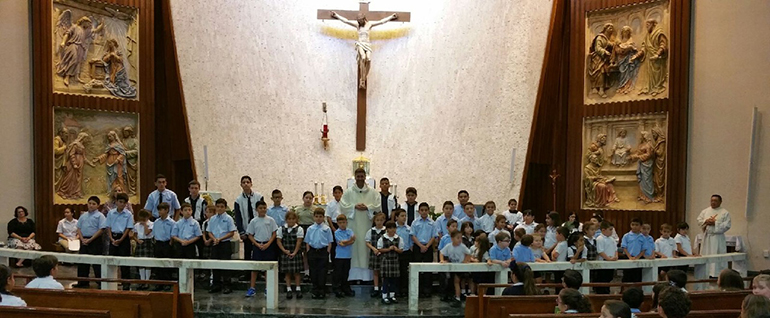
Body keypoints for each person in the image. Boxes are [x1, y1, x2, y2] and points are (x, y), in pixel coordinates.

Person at [339, 168, 382, 282]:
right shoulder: (348, 192)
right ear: (355, 177)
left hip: (367, 224)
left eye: (362, 176)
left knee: (365, 247)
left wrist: (368, 207)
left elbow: (378, 206)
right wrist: (354, 207)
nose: (360, 178)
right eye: (358, 176)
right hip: (353, 224)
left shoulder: (373, 192)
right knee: (355, 248)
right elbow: (343, 206)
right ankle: (354, 277)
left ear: (365, 177)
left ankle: (367, 277)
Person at [245, 201, 277, 297]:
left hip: (268, 246)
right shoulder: (254, 221)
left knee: (268, 268)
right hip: (257, 245)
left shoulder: (271, 220)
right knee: (255, 268)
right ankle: (252, 288)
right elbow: (250, 235)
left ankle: (268, 288)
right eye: (260, 208)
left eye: (264, 208)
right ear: (256, 210)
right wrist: (256, 244)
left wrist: (268, 244)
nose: (263, 210)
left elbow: (274, 233)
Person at [75, 196, 107, 288]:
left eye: (94, 204)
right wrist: (82, 239)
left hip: (95, 240)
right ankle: (82, 282)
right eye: (90, 203)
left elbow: (101, 229)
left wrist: (91, 239)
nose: (91, 206)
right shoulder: (83, 215)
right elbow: (78, 228)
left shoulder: (100, 216)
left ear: (98, 206)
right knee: (82, 262)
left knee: (96, 262)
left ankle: (100, 282)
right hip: (84, 240)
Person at [697, 194, 732, 277]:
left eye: (715, 201)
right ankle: (706, 272)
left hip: (717, 238)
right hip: (707, 237)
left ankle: (717, 274)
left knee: (717, 254)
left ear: (720, 202)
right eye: (712, 200)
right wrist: (706, 221)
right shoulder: (705, 211)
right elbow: (699, 220)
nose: (713, 202)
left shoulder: (724, 212)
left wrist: (715, 223)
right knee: (706, 254)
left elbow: (727, 225)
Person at [234, 176, 264, 268]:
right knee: (247, 251)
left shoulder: (259, 197)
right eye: (244, 182)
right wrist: (241, 231)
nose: (246, 184)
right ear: (241, 185)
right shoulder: (238, 200)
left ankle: (259, 272)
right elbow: (238, 217)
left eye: (248, 182)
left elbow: (262, 212)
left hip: (258, 230)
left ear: (251, 184)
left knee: (258, 251)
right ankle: (247, 272)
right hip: (246, 230)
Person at [208, 198, 237, 294]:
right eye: (218, 207)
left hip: (225, 243)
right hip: (215, 243)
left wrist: (220, 239)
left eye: (222, 207)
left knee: (225, 265)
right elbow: (209, 232)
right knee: (214, 263)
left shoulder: (228, 218)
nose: (220, 209)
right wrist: (214, 239)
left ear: (225, 208)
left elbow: (231, 232)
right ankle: (216, 284)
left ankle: (227, 285)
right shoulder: (212, 219)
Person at [106, 193, 133, 290]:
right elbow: (108, 226)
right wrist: (111, 238)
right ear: (116, 202)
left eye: (124, 203)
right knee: (112, 261)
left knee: (125, 262)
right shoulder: (111, 213)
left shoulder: (128, 214)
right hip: (113, 237)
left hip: (123, 238)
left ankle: (126, 283)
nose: (121, 204)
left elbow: (128, 228)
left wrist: (121, 239)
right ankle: (111, 282)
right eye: (120, 202)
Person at [410, 202, 437, 298]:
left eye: (426, 210)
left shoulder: (432, 223)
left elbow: (434, 236)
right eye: (422, 210)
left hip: (428, 247)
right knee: (417, 269)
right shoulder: (415, 222)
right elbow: (413, 235)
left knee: (427, 270)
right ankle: (418, 289)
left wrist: (426, 246)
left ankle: (427, 290)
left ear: (428, 211)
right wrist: (420, 246)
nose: (424, 212)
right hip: (418, 246)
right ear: (419, 211)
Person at [305, 208, 333, 299]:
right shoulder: (310, 228)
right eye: (316, 216)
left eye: (320, 217)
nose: (318, 218)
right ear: (314, 217)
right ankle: (315, 289)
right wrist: (308, 251)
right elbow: (307, 241)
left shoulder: (327, 228)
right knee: (313, 271)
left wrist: (327, 252)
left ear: (323, 217)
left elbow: (329, 241)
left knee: (322, 271)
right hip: (313, 251)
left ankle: (322, 290)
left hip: (323, 251)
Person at [440, 230, 472, 307]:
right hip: (452, 267)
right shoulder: (449, 246)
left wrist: (465, 260)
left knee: (456, 282)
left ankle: (458, 297)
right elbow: (441, 252)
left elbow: (469, 253)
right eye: (457, 238)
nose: (460, 240)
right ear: (452, 238)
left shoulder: (462, 246)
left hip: (460, 267)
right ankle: (454, 296)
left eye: (461, 238)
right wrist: (442, 260)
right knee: (452, 282)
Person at [278, 211, 305, 299]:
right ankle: (288, 289)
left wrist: (295, 252)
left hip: (295, 253)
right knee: (287, 273)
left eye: (293, 219)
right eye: (289, 219)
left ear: (296, 220)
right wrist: (284, 250)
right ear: (286, 220)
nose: (291, 221)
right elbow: (279, 241)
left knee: (297, 272)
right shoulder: (281, 229)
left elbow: (299, 241)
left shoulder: (299, 229)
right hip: (285, 252)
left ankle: (298, 288)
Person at [377, 220, 404, 304]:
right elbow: (379, 249)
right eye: (390, 228)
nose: (392, 230)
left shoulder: (398, 238)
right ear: (387, 229)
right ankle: (384, 296)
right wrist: (388, 249)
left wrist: (396, 249)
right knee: (386, 280)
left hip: (394, 261)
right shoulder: (382, 238)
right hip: (386, 261)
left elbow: (401, 250)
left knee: (394, 280)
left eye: (394, 228)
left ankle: (392, 296)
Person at [152, 202, 175, 291]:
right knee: (158, 264)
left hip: (167, 243)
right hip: (158, 243)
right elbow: (154, 232)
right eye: (159, 210)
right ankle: (159, 283)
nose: (159, 212)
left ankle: (167, 283)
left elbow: (173, 233)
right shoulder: (156, 222)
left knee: (167, 264)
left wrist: (171, 242)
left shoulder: (171, 222)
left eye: (161, 210)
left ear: (166, 210)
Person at [366, 212, 387, 297]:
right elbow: (367, 242)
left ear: (384, 221)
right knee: (375, 271)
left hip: (384, 254)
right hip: (374, 253)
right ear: (374, 221)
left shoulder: (386, 230)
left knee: (383, 272)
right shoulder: (371, 231)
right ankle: (376, 288)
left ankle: (383, 288)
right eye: (377, 220)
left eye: (381, 220)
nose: (379, 222)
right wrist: (374, 249)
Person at [333, 214, 355, 298]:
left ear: (347, 222)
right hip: (339, 256)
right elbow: (341, 243)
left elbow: (353, 241)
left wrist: (347, 242)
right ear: (337, 223)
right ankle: (337, 288)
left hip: (347, 255)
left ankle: (345, 288)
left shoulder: (349, 231)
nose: (342, 224)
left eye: (344, 222)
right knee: (338, 273)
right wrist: (349, 240)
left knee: (345, 273)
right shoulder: (337, 232)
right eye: (340, 223)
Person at [621, 218, 649, 282]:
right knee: (626, 276)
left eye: (636, 225)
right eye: (633, 224)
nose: (634, 227)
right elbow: (624, 247)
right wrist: (629, 257)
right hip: (627, 257)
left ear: (641, 226)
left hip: (638, 258)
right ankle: (624, 291)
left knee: (637, 277)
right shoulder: (626, 236)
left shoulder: (643, 237)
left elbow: (644, 249)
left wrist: (638, 257)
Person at [132, 209, 154, 290]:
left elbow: (147, 232)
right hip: (140, 242)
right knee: (141, 263)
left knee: (147, 263)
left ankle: (147, 281)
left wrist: (145, 225)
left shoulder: (151, 224)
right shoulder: (137, 225)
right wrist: (137, 240)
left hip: (148, 242)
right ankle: (142, 280)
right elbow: (133, 235)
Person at [595, 221, 618, 294]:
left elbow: (615, 249)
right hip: (603, 263)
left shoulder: (612, 239)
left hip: (611, 262)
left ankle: (607, 292)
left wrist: (615, 256)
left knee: (609, 278)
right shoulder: (600, 239)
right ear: (603, 230)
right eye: (610, 229)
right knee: (602, 280)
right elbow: (600, 251)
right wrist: (608, 258)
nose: (612, 231)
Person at [394, 209, 412, 297]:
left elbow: (410, 242)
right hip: (395, 252)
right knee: (396, 272)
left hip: (406, 252)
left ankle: (404, 290)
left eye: (405, 216)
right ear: (396, 217)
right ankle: (396, 290)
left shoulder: (408, 229)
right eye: (402, 216)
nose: (404, 217)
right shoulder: (393, 228)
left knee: (405, 272)